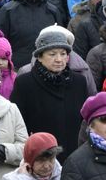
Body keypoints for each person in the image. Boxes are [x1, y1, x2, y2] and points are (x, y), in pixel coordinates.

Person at [10, 29, 91, 162]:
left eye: (63, 54)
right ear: (40, 57)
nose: (59, 59)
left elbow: (85, 121)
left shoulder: (79, 81)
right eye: (52, 54)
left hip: (75, 155)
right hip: (41, 157)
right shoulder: (25, 83)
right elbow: (18, 124)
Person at [0, 0, 62, 68]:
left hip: (46, 67)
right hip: (16, 68)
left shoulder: (53, 10)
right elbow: (0, 44)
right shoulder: (8, 10)